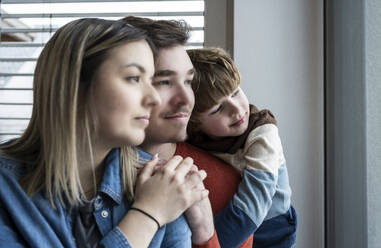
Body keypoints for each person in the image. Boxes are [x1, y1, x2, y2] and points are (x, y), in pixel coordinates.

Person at [0, 18, 210, 248]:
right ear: (74, 85)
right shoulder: (6, 188)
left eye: (151, 80)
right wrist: (148, 215)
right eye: (134, 78)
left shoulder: (161, 183)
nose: (153, 98)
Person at [123, 16, 254, 248]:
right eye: (164, 81)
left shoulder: (225, 185)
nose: (185, 100)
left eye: (188, 82)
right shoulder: (87, 175)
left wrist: (205, 233)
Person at [186, 47, 298, 247]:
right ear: (194, 122)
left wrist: (213, 243)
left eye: (236, 93)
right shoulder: (192, 137)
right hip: (232, 215)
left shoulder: (262, 133)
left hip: (271, 226)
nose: (237, 109)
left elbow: (253, 206)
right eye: (218, 108)